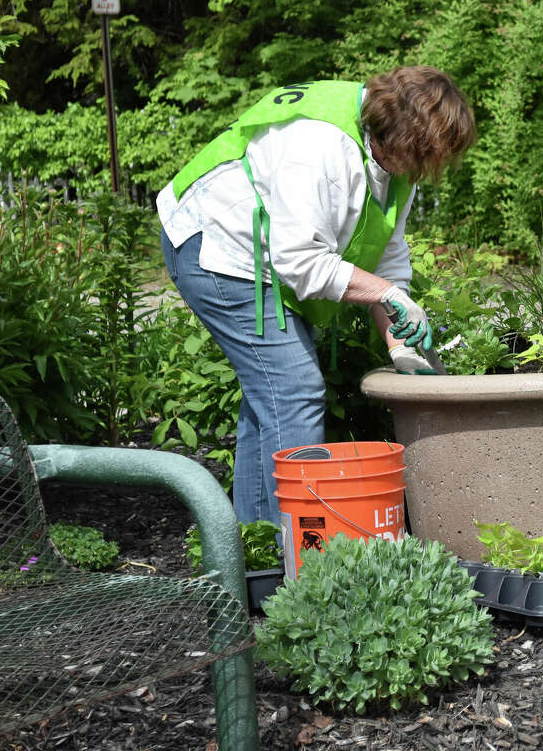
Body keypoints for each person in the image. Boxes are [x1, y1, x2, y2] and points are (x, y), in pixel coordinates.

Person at [157, 66, 476, 525]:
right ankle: (294, 549)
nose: (426, 169)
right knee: (293, 390)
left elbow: (386, 256)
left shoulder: (393, 156)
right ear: (403, 138)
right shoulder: (321, 146)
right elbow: (301, 261)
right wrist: (386, 293)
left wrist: (400, 343)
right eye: (426, 155)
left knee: (273, 395)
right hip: (215, 242)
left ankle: (258, 544)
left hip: (265, 256)